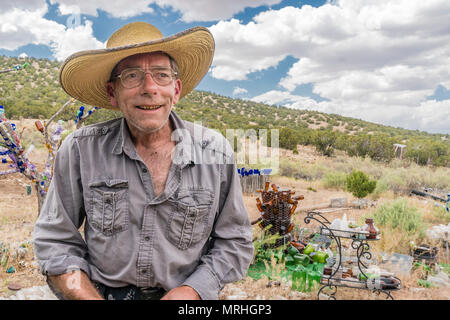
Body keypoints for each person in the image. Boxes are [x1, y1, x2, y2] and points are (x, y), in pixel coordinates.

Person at [33, 22, 254, 300]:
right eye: (132, 76)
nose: (149, 88)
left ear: (176, 89)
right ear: (112, 93)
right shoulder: (80, 150)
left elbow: (235, 241)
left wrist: (190, 292)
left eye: (161, 75)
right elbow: (55, 242)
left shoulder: (214, 151)